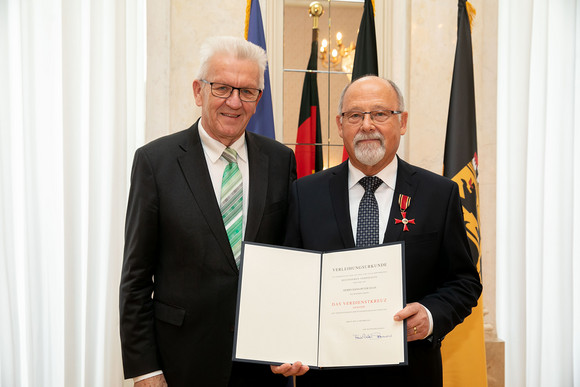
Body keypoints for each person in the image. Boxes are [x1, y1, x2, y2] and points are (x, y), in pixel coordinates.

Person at [271, 76, 482, 386]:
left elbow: (464, 282)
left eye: (380, 114)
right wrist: (288, 342)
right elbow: (289, 282)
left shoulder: (439, 194)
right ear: (340, 125)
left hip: (410, 375)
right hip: (327, 376)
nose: (367, 125)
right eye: (355, 115)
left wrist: (430, 314)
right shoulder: (305, 193)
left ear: (402, 121)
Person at [119, 36, 296, 387]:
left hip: (262, 365)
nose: (234, 101)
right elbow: (136, 278)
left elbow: (289, 262)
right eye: (222, 88)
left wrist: (292, 340)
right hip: (181, 362)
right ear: (199, 91)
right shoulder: (155, 162)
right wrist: (144, 369)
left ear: (259, 99)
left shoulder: (280, 160)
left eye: (247, 91)